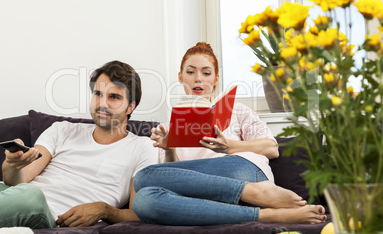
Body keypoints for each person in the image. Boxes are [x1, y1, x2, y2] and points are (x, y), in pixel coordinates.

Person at [132, 42, 327, 226]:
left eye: (206, 73)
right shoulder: (168, 127)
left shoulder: (238, 111)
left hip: (244, 173)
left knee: (143, 177)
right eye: (190, 72)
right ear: (181, 77)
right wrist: (170, 148)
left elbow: (272, 148)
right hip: (204, 200)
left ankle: (253, 191)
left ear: (216, 79)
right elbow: (170, 179)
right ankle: (266, 213)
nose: (198, 78)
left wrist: (231, 147)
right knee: (143, 200)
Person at [0, 60, 158, 228]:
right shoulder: (63, 129)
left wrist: (103, 209)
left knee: (31, 195)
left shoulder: (143, 147)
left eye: (114, 97)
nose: (102, 104)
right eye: (98, 94)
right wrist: (13, 165)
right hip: (13, 196)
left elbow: (139, 213)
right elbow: (17, 182)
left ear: (130, 107)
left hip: (47, 212)